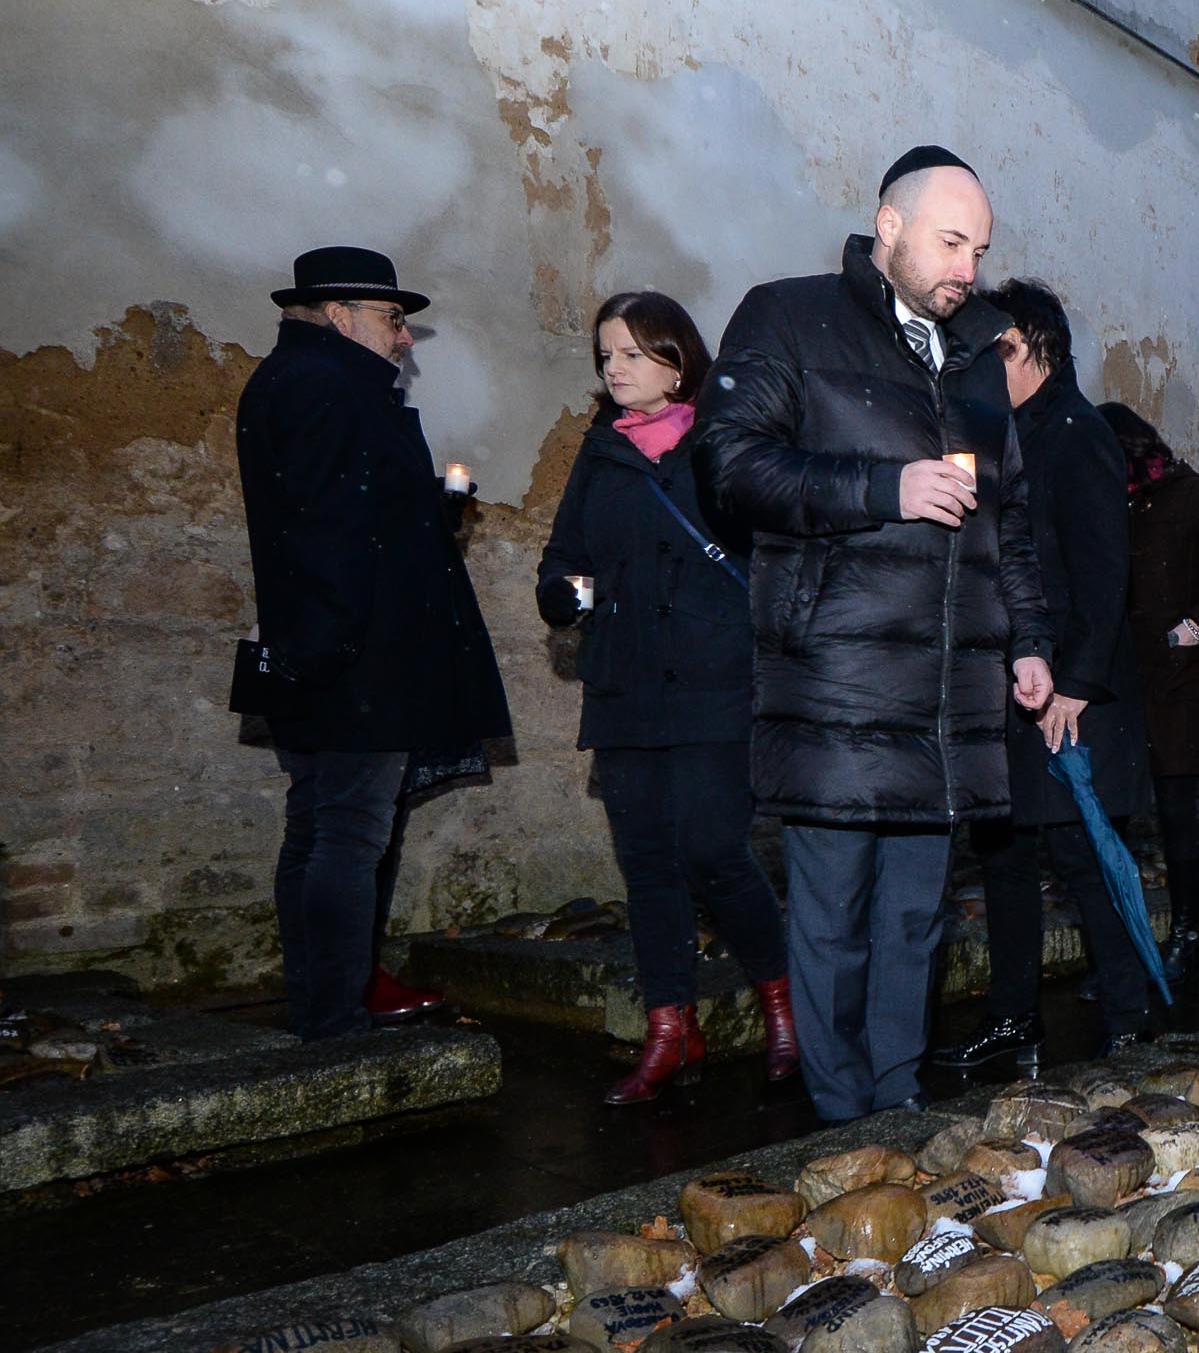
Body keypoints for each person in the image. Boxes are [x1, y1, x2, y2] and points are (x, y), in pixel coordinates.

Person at [694, 147, 1054, 1125]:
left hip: (948, 695)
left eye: (978, 248)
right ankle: (838, 1115)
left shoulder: (978, 353)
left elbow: (1008, 517)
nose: (966, 269)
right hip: (837, 684)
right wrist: (879, 489)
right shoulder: (788, 316)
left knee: (913, 918)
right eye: (949, 241)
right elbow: (729, 466)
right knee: (833, 918)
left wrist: (1029, 638)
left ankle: (894, 1101)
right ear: (886, 227)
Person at [234, 247, 510, 1042]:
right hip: (355, 655)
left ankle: (322, 999)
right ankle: (332, 1016)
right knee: (348, 834)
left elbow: (338, 516)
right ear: (340, 312)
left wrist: (427, 514)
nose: (404, 339)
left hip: (327, 644)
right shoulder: (328, 387)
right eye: (394, 319)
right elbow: (331, 534)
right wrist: (335, 649)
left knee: (319, 826)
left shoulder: (297, 382)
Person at [535, 292, 791, 1102]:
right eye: (606, 354)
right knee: (647, 864)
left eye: (633, 354)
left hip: (714, 682)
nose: (614, 368)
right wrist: (560, 594)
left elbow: (772, 551)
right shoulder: (598, 452)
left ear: (678, 361)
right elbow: (563, 554)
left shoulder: (721, 442)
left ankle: (785, 1004)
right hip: (625, 683)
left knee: (715, 851)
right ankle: (670, 1032)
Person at [946, 280, 1152, 1070]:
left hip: (1071, 694)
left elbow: (1105, 574)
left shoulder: (1077, 432)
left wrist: (1077, 684)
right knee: (1003, 852)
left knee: (1082, 855)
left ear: (1031, 345)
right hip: (1013, 689)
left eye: (993, 345)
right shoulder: (1005, 433)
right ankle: (1014, 1016)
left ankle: (1128, 1016)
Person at [1099, 404, 1199, 984]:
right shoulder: (1113, 502)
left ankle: (1185, 937)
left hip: (1175, 677)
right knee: (1109, 818)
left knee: (1176, 818)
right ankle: (1118, 951)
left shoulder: (1190, 495)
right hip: (1117, 679)